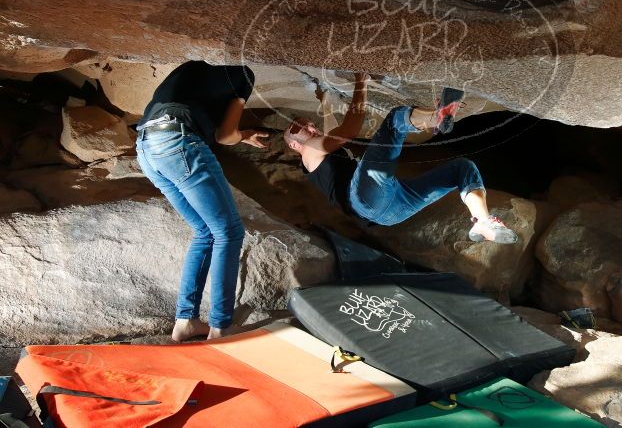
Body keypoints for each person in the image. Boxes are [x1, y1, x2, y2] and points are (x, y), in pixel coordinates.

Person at [283, 72, 518, 243]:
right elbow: (349, 130)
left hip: (391, 212)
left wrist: (325, 100)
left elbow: (331, 130)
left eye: (312, 125)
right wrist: (360, 82)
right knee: (395, 121)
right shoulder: (310, 152)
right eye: (300, 128)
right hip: (364, 199)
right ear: (294, 145)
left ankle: (484, 221)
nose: (311, 129)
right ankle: (437, 118)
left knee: (463, 169)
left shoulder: (318, 153)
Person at [135, 61, 269, 342]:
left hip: (146, 148)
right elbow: (225, 135)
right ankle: (220, 327)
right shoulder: (242, 74)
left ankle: (186, 321)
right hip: (178, 143)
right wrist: (244, 136)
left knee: (204, 232)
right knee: (229, 232)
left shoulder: (190, 66)